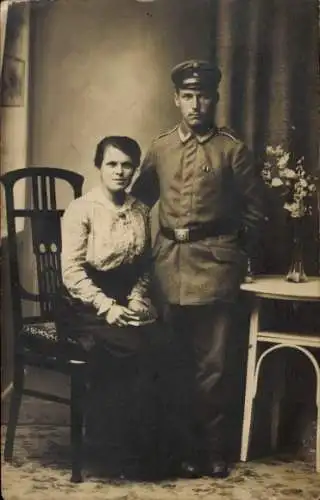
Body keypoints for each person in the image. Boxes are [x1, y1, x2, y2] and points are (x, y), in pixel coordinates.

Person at [131, 60, 265, 478]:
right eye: (187, 96)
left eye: (202, 95)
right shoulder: (161, 147)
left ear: (215, 98)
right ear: (176, 99)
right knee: (174, 363)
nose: (195, 103)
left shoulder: (232, 150)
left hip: (215, 268)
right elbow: (139, 203)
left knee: (214, 368)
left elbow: (258, 213)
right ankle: (181, 451)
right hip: (169, 267)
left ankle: (212, 451)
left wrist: (232, 256)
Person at [58, 135, 163, 478]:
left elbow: (145, 264)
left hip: (126, 297)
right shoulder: (82, 209)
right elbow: (72, 273)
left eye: (127, 164)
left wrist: (136, 297)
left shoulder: (140, 210)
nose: (120, 171)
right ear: (99, 167)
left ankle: (148, 451)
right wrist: (107, 306)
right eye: (111, 164)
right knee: (134, 348)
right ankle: (117, 451)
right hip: (85, 304)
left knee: (166, 341)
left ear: (135, 168)